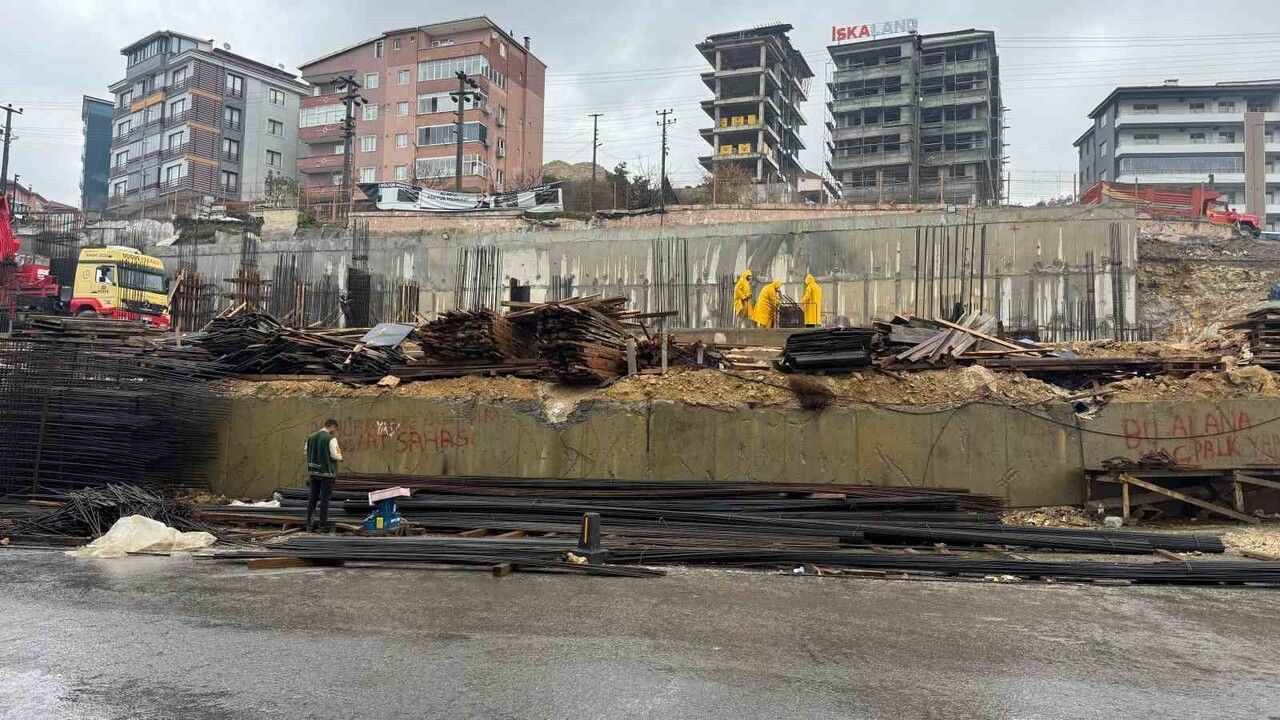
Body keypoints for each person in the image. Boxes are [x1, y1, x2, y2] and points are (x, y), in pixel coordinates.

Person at [305, 418, 344, 532]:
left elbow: (306, 451)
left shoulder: (311, 437)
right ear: (331, 426)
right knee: (324, 500)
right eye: (334, 429)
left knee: (312, 499)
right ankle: (322, 525)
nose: (334, 431)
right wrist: (340, 457)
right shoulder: (330, 439)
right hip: (327, 474)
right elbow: (337, 456)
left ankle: (309, 524)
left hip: (313, 473)